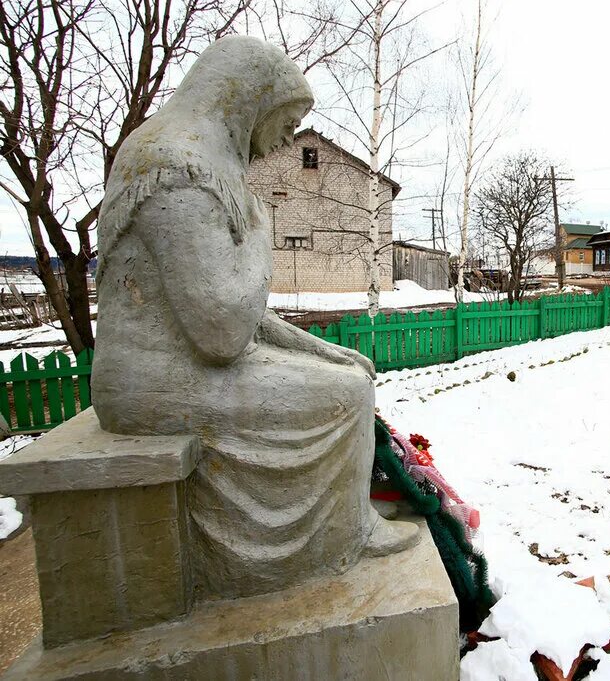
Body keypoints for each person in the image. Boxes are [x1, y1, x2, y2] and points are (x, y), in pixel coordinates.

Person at [92, 36, 417, 601]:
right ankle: (341, 540)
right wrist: (266, 238)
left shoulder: (199, 156)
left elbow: (237, 315)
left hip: (185, 360)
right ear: (250, 100)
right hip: (153, 380)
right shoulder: (180, 165)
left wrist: (329, 352)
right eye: (287, 124)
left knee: (350, 377)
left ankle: (347, 527)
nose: (284, 143)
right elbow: (222, 334)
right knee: (347, 398)